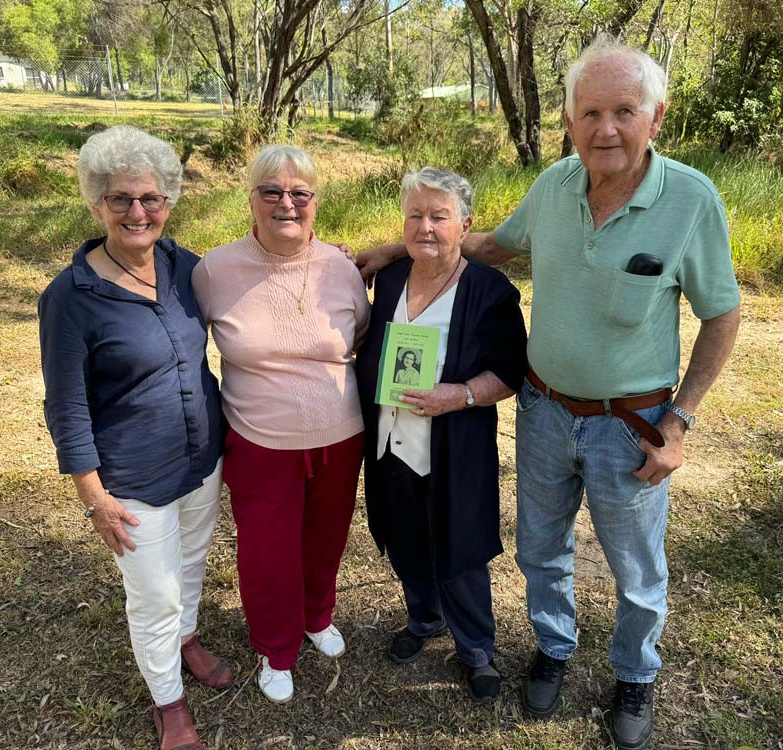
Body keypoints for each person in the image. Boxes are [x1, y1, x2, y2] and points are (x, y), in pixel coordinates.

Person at [357, 37, 741, 750]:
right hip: (541, 411)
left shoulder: (690, 198)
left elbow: (722, 313)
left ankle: (634, 674)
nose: (606, 129)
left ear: (655, 117)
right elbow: (489, 244)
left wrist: (680, 422)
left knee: (634, 565)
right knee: (541, 549)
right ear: (569, 121)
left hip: (632, 422)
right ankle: (554, 650)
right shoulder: (555, 187)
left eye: (624, 111)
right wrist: (397, 247)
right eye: (590, 112)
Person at [38, 125, 231, 750]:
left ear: (169, 202)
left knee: (193, 563)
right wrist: (93, 496)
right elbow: (65, 406)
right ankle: (168, 704)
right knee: (155, 592)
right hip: (131, 475)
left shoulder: (184, 267)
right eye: (120, 199)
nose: (137, 212)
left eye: (151, 198)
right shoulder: (71, 297)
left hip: (203, 457)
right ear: (96, 203)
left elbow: (261, 278)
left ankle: (187, 639)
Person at [192, 144, 370, 704]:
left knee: (325, 538)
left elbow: (359, 335)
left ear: (315, 202)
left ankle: (317, 616)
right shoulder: (214, 271)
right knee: (267, 552)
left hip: (341, 437)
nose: (286, 203)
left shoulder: (342, 267)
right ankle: (276, 646)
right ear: (252, 200)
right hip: (259, 442)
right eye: (271, 191)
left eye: (299, 193)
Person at [356, 168, 527, 705]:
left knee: (461, 550)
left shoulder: (490, 291)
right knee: (404, 535)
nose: (425, 226)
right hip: (390, 440)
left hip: (454, 446)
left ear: (466, 224)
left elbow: (512, 370)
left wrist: (460, 395)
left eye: (439, 216)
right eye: (415, 215)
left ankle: (476, 648)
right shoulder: (387, 281)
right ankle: (423, 618)